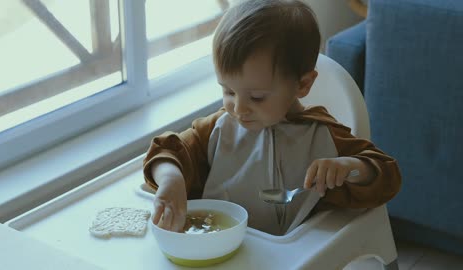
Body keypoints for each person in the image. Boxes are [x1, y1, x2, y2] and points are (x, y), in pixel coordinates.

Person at [143, 0, 401, 235]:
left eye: (256, 97)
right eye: (228, 91)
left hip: (290, 256)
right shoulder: (218, 129)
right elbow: (167, 150)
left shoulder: (323, 136)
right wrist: (171, 179)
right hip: (216, 244)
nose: (239, 109)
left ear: (302, 85)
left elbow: (386, 176)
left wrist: (349, 168)